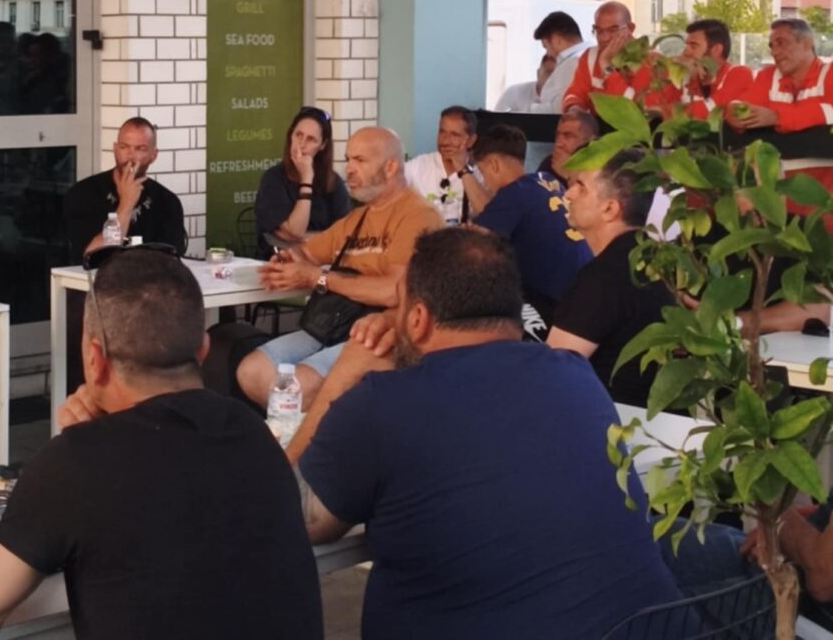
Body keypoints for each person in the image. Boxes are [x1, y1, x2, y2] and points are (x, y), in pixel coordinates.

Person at [288, 229, 684, 639]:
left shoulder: (381, 404)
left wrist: (344, 375)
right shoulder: (575, 374)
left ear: (418, 319)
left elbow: (289, 516)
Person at [0, 248, 323, 640]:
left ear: (94, 358)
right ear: (203, 350)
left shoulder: (75, 465)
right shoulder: (254, 433)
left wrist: (82, 447)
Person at [236, 127, 444, 408]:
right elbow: (306, 254)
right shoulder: (357, 218)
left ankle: (307, 429)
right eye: (348, 159)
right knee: (250, 371)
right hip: (333, 324)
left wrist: (318, 278)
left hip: (381, 332)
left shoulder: (419, 216)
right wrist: (286, 262)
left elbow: (393, 291)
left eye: (360, 160)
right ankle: (300, 426)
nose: (349, 169)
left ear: (391, 166)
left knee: (297, 388)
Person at [546, 148, 674, 407]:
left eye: (581, 187)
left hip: (609, 417)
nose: (568, 194)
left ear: (609, 209)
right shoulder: (657, 260)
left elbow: (551, 372)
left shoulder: (605, 276)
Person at [471, 124, 592, 327]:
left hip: (555, 302)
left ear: (494, 165)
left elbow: (473, 246)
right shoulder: (547, 180)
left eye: (482, 173)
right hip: (584, 286)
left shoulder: (511, 194)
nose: (484, 183)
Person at [64, 117, 186, 259]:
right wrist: (126, 204)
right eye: (124, 147)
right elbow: (92, 256)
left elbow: (172, 259)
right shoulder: (83, 193)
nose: (130, 156)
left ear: (153, 155)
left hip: (149, 272)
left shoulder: (167, 201)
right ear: (115, 149)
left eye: (140, 149)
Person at [254, 105, 350, 257]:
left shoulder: (333, 182)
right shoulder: (274, 178)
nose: (302, 144)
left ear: (323, 145)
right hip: (279, 261)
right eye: (298, 135)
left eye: (311, 139)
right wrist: (306, 180)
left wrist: (304, 238)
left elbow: (344, 235)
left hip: (324, 262)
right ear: (290, 136)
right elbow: (295, 231)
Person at [731, 18, 833, 134]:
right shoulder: (768, 76)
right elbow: (740, 105)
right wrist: (733, 111)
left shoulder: (829, 73)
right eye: (772, 46)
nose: (774, 52)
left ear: (806, 44)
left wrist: (776, 117)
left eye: (781, 43)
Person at [651, 18, 752, 119]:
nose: (686, 52)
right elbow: (657, 107)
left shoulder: (740, 74)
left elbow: (709, 111)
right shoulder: (684, 76)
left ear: (716, 50)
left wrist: (668, 111)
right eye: (686, 46)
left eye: (694, 46)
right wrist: (671, 69)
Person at [402, 105, 488, 224]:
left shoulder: (482, 173)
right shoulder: (419, 165)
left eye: (455, 135)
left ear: (471, 141)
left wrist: (463, 169)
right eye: (442, 132)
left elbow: (488, 214)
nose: (445, 141)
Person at [563, 1, 648, 112]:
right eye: (599, 30)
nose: (604, 38)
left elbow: (633, 110)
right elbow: (575, 94)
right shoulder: (590, 56)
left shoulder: (651, 61)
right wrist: (575, 110)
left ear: (630, 29)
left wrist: (606, 65)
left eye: (613, 30)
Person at [530, 10, 591, 113]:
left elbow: (562, 107)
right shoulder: (589, 56)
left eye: (546, 46)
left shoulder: (573, 63)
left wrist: (532, 109)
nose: (548, 54)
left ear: (556, 40)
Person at [537, 107, 599, 188]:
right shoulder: (549, 163)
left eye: (568, 136)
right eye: (557, 135)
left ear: (590, 141)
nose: (558, 143)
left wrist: (567, 176)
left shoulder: (601, 170)